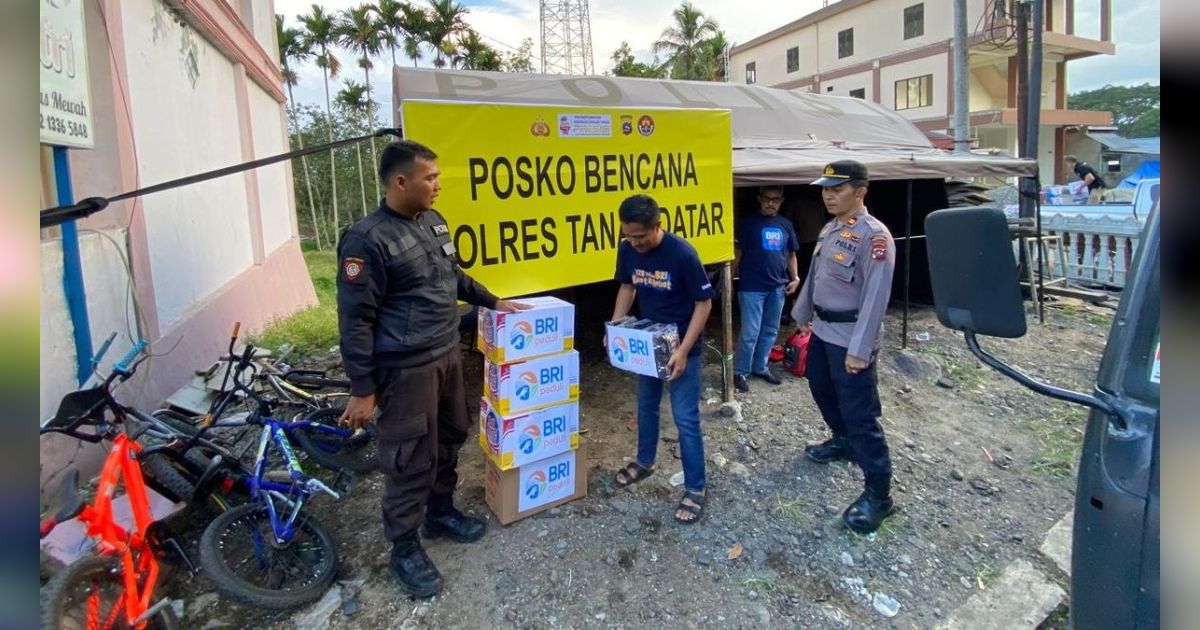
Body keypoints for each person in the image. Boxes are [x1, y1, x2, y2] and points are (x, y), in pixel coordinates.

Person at [337, 139, 529, 598]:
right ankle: (404, 546)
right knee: (410, 456)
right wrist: (363, 389)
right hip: (406, 370)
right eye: (430, 178)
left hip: (446, 353)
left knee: (451, 435)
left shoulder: (432, 221)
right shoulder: (367, 239)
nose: (438, 185)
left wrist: (495, 301)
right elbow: (356, 320)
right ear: (400, 182)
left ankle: (440, 512)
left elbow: (453, 277)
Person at [791, 160, 898, 534]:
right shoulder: (831, 228)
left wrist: (861, 349)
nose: (828, 194)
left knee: (860, 413)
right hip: (822, 330)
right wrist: (802, 312)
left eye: (837, 189)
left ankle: (879, 494)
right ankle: (844, 442)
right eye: (825, 188)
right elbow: (817, 275)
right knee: (820, 387)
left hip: (851, 337)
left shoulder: (875, 236)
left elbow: (876, 297)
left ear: (861, 192)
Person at [609, 194, 714, 524]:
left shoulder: (682, 254)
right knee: (646, 405)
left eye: (641, 236)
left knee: (685, 418)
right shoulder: (627, 249)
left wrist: (683, 351)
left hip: (682, 348)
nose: (635, 243)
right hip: (648, 342)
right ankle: (645, 461)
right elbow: (627, 287)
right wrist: (615, 327)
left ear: (658, 226)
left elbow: (704, 304)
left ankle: (696, 487)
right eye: (629, 236)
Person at [732, 186, 801, 392]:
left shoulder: (786, 225)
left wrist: (795, 277)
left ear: (781, 201)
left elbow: (791, 254)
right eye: (767, 199)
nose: (771, 203)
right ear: (759, 199)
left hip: (777, 286)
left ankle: (760, 367)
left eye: (776, 199)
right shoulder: (747, 223)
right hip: (751, 286)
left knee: (771, 330)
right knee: (750, 332)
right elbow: (738, 252)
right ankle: (740, 371)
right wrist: (729, 278)